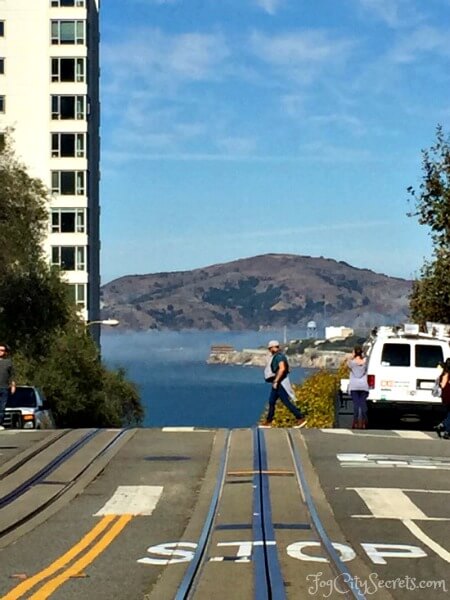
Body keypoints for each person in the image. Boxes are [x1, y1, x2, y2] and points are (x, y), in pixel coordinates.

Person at [261, 340, 307, 428]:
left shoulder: (279, 357)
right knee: (272, 401)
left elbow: (282, 369)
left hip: (279, 382)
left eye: (270, 348)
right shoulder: (279, 356)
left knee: (285, 401)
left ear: (274, 347)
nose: (270, 350)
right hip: (278, 381)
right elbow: (287, 369)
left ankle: (300, 417)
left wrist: (276, 381)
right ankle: (268, 421)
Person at [347, 345, 369, 429]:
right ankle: (364, 421)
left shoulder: (352, 363)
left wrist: (352, 356)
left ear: (354, 353)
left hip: (354, 386)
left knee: (356, 404)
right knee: (363, 404)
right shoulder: (365, 362)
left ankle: (355, 422)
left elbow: (348, 363)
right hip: (364, 386)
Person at [0, 344, 16, 429]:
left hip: (4, 387)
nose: (0, 352)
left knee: (2, 407)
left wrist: (13, 385)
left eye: (2, 350)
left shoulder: (8, 362)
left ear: (5, 352)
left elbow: (12, 375)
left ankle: (0, 423)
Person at [434, 358, 450, 440]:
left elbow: (442, 386)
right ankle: (445, 428)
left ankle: (443, 427)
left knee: (448, 414)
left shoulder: (443, 374)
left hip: (445, 396)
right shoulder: (448, 374)